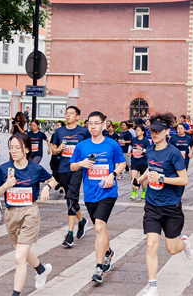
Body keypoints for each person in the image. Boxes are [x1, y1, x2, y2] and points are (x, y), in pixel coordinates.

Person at [133, 113, 192, 296]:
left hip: (171, 205)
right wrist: (140, 179)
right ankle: (152, 287)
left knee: (171, 249)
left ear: (167, 131)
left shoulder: (174, 153)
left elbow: (184, 180)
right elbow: (151, 166)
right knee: (151, 244)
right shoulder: (150, 150)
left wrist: (163, 179)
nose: (154, 134)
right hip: (152, 204)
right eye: (152, 131)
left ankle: (185, 243)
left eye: (158, 131)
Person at [0, 133, 58, 294]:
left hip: (30, 212)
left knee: (19, 257)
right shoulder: (3, 169)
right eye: (11, 148)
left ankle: (16, 293)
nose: (13, 151)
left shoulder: (35, 169)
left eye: (17, 148)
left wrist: (46, 188)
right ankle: (41, 269)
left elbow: (53, 180)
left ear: (27, 149)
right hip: (11, 214)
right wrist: (6, 185)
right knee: (21, 249)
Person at [69, 111, 126, 284]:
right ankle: (108, 252)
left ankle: (99, 268)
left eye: (96, 123)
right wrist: (80, 164)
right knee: (101, 228)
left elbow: (122, 162)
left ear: (103, 124)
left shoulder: (112, 144)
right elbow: (72, 166)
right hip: (90, 193)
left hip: (108, 192)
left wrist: (113, 175)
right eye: (90, 124)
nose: (93, 126)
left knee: (99, 228)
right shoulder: (82, 146)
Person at [50, 106, 90, 247]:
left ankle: (70, 234)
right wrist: (58, 149)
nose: (68, 116)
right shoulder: (59, 131)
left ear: (77, 117)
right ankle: (82, 221)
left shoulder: (84, 132)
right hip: (64, 168)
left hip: (78, 168)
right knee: (70, 199)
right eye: (66, 113)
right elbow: (53, 151)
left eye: (71, 114)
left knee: (72, 198)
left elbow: (90, 148)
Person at [130, 124, 150, 200]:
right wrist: (130, 152)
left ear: (142, 132)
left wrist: (141, 149)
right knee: (133, 176)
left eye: (138, 130)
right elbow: (131, 146)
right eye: (136, 130)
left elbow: (148, 151)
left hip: (143, 162)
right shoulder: (133, 139)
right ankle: (134, 192)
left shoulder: (146, 141)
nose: (136, 132)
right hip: (135, 160)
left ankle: (144, 192)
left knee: (143, 178)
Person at [50, 121, 65, 194]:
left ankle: (62, 187)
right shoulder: (54, 135)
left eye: (58, 125)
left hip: (62, 156)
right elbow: (52, 144)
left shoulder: (64, 135)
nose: (56, 127)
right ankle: (59, 183)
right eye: (56, 125)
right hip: (55, 155)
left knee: (61, 172)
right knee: (55, 172)